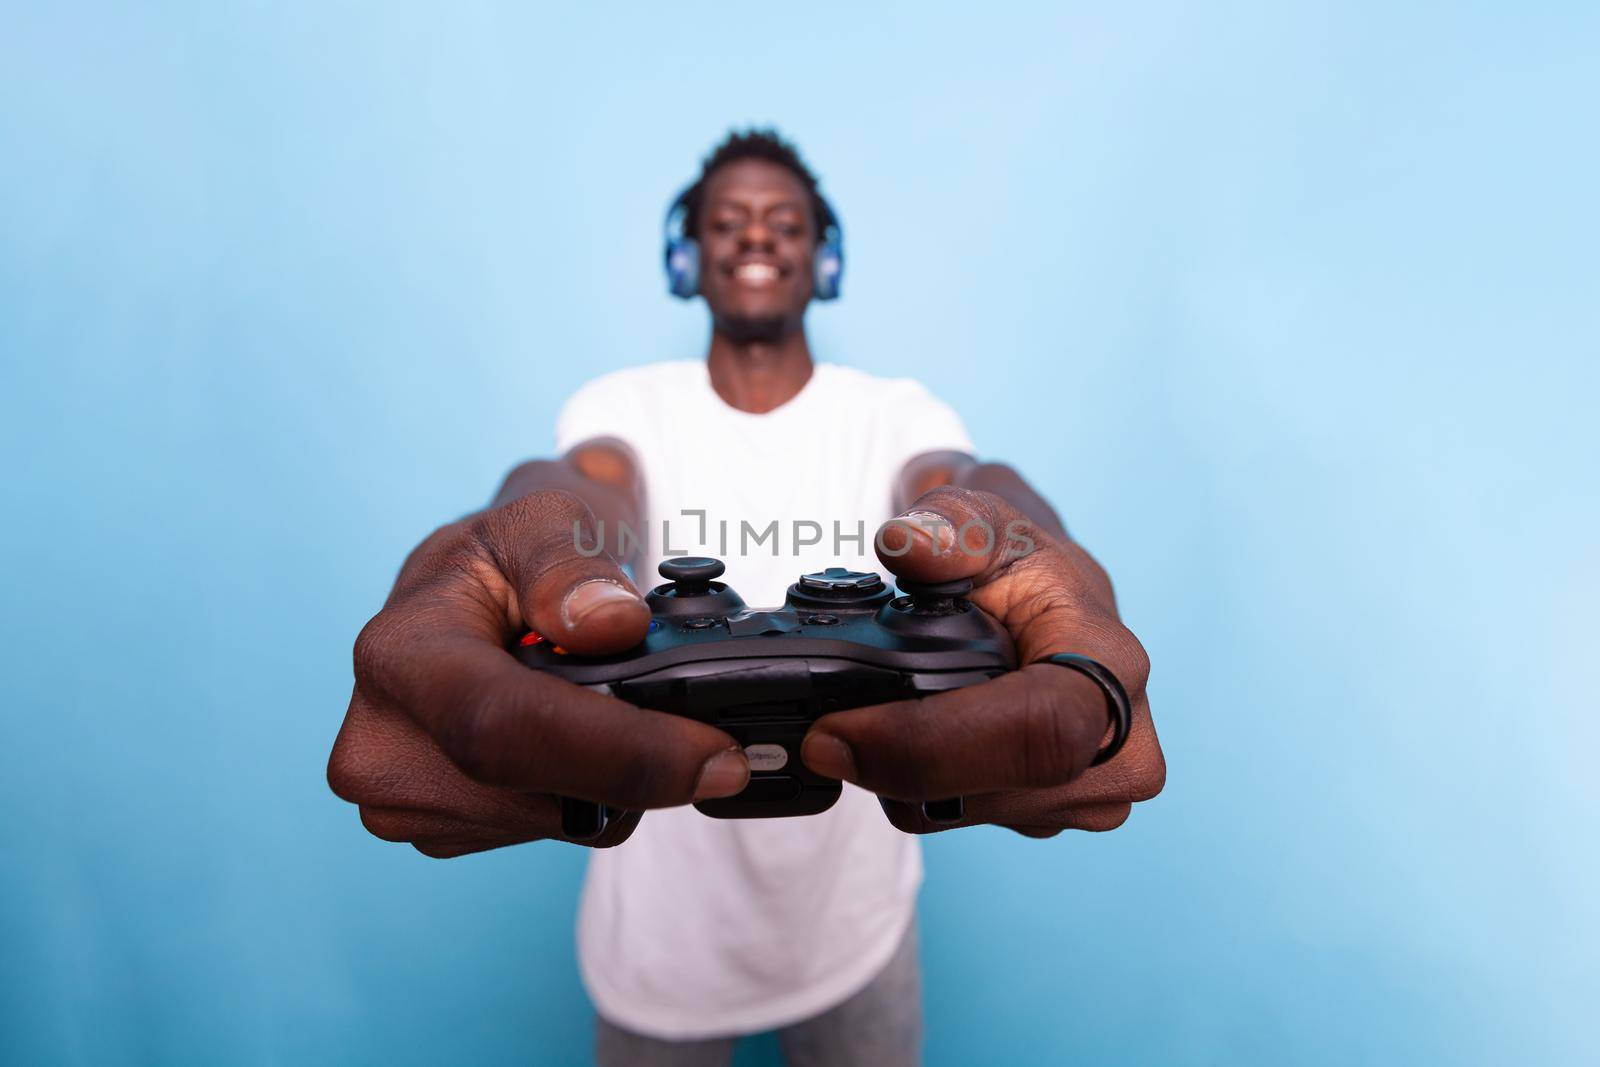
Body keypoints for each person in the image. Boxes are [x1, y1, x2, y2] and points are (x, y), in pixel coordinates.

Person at [327, 129, 1166, 1066]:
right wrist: (519, 538)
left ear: (824, 256)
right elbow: (585, 486)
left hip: (856, 928)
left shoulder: (891, 413)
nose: (754, 238)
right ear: (686, 257)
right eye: (725, 222)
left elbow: (965, 482)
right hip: (659, 942)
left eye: (783, 222)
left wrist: (1034, 541)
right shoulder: (629, 405)